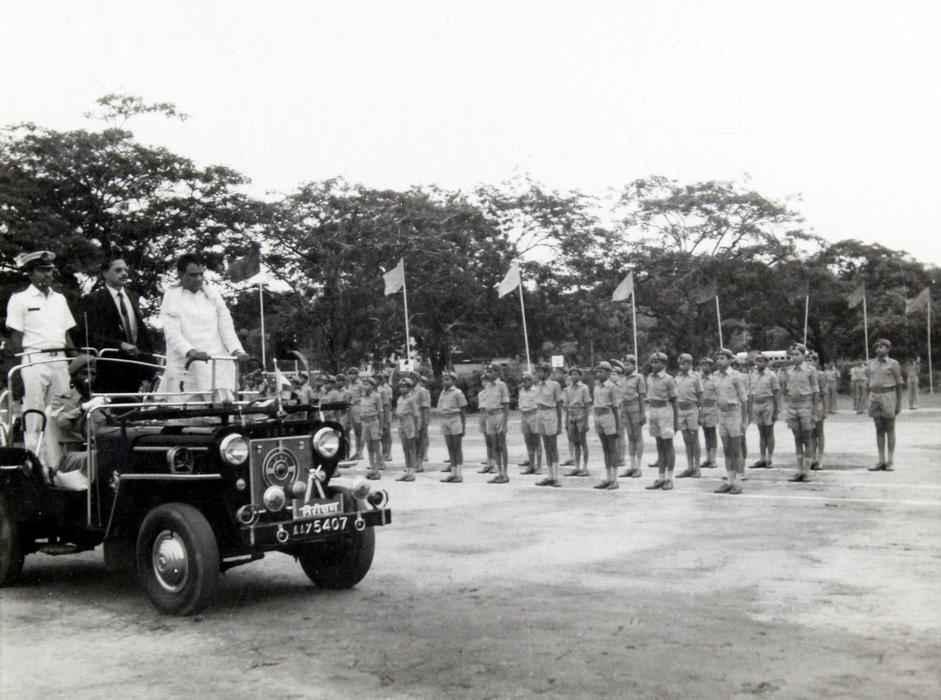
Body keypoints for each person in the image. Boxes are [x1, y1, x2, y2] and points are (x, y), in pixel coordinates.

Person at [5, 251, 77, 464]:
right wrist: (19, 367)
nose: (47, 275)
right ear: (30, 273)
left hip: (59, 359)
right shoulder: (19, 299)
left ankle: (59, 464)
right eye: (42, 270)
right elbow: (16, 336)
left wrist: (75, 358)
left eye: (50, 270)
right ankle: (34, 463)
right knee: (35, 412)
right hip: (34, 358)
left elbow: (66, 333)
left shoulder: (60, 299)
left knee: (61, 412)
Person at [159, 253, 248, 402]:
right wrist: (191, 351)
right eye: (193, 275)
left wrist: (237, 350)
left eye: (201, 274)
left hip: (217, 364)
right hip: (187, 365)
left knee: (224, 408)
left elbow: (226, 327)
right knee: (187, 411)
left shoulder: (213, 295)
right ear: (180, 274)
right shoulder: (171, 297)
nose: (199, 279)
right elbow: (172, 334)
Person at [78, 256, 156, 396]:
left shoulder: (133, 297)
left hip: (136, 372)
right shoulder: (94, 300)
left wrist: (149, 372)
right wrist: (120, 344)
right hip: (109, 372)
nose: (124, 274)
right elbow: (90, 336)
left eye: (126, 270)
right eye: (118, 270)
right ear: (105, 273)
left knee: (134, 408)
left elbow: (142, 336)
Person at [48, 355, 109, 488]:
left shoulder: (100, 400)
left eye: (93, 374)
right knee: (101, 458)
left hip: (98, 451)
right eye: (84, 373)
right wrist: (83, 408)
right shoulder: (61, 399)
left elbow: (109, 427)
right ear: (74, 377)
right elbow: (62, 423)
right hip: (71, 457)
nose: (89, 378)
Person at [780, 343, 819, 482]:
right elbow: (785, 390)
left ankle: (807, 471)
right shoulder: (788, 371)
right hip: (792, 406)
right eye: (792, 355)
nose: (794, 357)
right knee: (797, 438)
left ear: (803, 355)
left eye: (797, 354)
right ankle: (799, 470)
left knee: (807, 439)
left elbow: (815, 391)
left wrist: (814, 411)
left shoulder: (810, 370)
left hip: (806, 406)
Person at [712, 348, 748, 494]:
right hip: (722, 415)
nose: (719, 361)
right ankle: (729, 481)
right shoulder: (715, 376)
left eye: (722, 358)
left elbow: (744, 400)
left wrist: (744, 421)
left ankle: (738, 482)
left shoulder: (736, 376)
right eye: (718, 358)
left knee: (736, 449)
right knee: (726, 449)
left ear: (730, 360)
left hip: (734, 414)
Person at [867, 339, 904, 471]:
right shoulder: (871, 363)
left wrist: (898, 403)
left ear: (888, 349)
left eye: (882, 347)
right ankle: (881, 460)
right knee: (879, 429)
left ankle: (890, 461)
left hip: (888, 395)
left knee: (890, 428)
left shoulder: (893, 364)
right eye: (877, 347)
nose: (878, 349)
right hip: (874, 396)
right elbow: (869, 381)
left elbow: (899, 384)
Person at [645, 351, 678, 491]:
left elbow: (674, 401)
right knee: (659, 445)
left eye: (656, 362)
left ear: (664, 364)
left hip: (665, 411)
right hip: (653, 411)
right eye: (652, 362)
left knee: (668, 445)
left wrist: (676, 421)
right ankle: (661, 477)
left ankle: (669, 478)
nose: (653, 364)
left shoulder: (669, 379)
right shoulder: (649, 377)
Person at [477, 365, 510, 483]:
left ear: (497, 373)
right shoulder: (488, 386)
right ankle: (499, 472)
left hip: (499, 415)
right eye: (487, 372)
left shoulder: (502, 385)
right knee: (494, 445)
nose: (488, 374)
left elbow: (506, 405)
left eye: (490, 372)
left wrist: (504, 423)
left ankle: (505, 473)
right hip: (489, 416)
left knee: (502, 445)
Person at [748, 353, 780, 469]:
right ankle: (762, 458)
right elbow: (751, 392)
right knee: (761, 433)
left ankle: (769, 458)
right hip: (757, 404)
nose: (758, 363)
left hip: (768, 403)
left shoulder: (771, 375)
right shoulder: (753, 374)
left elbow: (776, 393)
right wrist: (750, 409)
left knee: (769, 432)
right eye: (757, 361)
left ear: (766, 363)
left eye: (761, 361)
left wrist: (776, 410)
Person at [534, 363, 564, 487]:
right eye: (537, 371)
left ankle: (556, 477)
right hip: (540, 413)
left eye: (540, 371)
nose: (538, 374)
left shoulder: (554, 385)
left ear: (547, 372)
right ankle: (550, 475)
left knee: (553, 446)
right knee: (546, 446)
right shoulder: (537, 385)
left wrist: (559, 423)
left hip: (550, 413)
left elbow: (559, 405)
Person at [674, 353, 703, 479]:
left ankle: (697, 468)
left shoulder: (695, 377)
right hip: (681, 410)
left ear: (690, 364)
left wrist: (700, 413)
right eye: (680, 363)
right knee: (686, 440)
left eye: (684, 363)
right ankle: (689, 467)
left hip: (692, 409)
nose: (682, 365)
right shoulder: (677, 377)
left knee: (694, 439)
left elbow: (700, 396)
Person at [592, 362, 620, 489]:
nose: (598, 374)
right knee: (605, 449)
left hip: (608, 416)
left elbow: (615, 407)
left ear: (608, 373)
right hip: (598, 417)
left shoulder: (612, 387)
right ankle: (608, 477)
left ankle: (614, 479)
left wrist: (617, 426)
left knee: (612, 449)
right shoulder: (596, 386)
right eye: (598, 371)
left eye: (601, 371)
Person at [618, 355, 646, 478]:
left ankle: (638, 467)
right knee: (630, 437)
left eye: (628, 364)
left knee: (637, 437)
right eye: (625, 364)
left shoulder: (639, 377)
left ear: (634, 365)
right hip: (625, 408)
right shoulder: (623, 378)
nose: (626, 367)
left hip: (635, 407)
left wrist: (642, 413)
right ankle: (632, 466)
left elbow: (641, 396)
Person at [437, 371, 468, 483]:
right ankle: (453, 472)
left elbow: (463, 410)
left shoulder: (457, 392)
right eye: (443, 380)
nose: (444, 382)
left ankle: (459, 474)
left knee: (457, 448)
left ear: (454, 381)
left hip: (455, 419)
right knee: (450, 447)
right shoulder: (442, 392)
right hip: (445, 419)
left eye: (447, 379)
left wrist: (463, 426)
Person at [563, 367, 592, 477]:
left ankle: (585, 467)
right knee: (575, 443)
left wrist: (586, 422)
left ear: (580, 376)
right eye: (572, 374)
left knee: (583, 442)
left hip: (581, 415)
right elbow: (566, 406)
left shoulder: (584, 388)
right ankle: (577, 467)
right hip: (571, 416)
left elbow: (587, 405)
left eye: (576, 374)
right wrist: (566, 421)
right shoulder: (567, 389)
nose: (573, 376)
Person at [394, 375, 420, 481]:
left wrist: (416, 429)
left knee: (411, 449)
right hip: (401, 423)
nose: (402, 389)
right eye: (401, 387)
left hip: (409, 423)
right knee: (405, 448)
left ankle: (412, 473)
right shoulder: (400, 398)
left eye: (405, 387)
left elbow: (416, 415)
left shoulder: (412, 399)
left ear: (409, 388)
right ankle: (407, 470)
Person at [358, 377, 385, 480]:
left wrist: (381, 428)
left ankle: (377, 470)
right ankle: (372, 467)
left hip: (373, 422)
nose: (365, 386)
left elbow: (380, 412)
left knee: (376, 447)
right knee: (369, 447)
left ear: (372, 386)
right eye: (364, 384)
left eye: (367, 384)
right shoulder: (363, 397)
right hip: (365, 423)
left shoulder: (377, 396)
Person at [517, 372, 544, 475]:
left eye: (527, 380)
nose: (525, 382)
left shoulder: (536, 390)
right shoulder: (521, 391)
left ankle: (539, 466)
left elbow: (539, 404)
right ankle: (531, 465)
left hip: (534, 415)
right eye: (523, 380)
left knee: (537, 441)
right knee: (528, 441)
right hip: (524, 416)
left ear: (531, 381)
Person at [698, 356, 720, 470]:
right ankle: (708, 458)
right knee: (705, 433)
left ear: (711, 366)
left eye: (706, 365)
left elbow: (718, 394)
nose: (704, 367)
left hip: (712, 407)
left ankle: (713, 459)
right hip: (702, 408)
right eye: (702, 364)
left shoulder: (715, 379)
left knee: (712, 433)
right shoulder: (699, 379)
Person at [808, 351, 827, 470]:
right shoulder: (806, 373)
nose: (810, 362)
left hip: (818, 404)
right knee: (811, 433)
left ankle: (820, 458)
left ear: (817, 361)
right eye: (808, 359)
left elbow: (824, 393)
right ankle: (812, 458)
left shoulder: (820, 374)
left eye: (812, 360)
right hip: (807, 404)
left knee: (819, 432)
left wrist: (825, 409)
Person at [345, 368, 365, 461]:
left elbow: (363, 396)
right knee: (356, 432)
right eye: (350, 374)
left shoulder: (360, 384)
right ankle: (357, 451)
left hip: (358, 408)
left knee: (359, 431)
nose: (351, 375)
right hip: (351, 409)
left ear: (357, 375)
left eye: (353, 373)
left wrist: (354, 401)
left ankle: (360, 452)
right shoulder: (349, 385)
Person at [414, 372, 432, 471]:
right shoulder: (410, 390)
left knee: (420, 440)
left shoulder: (422, 391)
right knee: (412, 442)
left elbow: (425, 408)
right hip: (410, 419)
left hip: (419, 418)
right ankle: (414, 462)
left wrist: (425, 422)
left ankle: (419, 463)